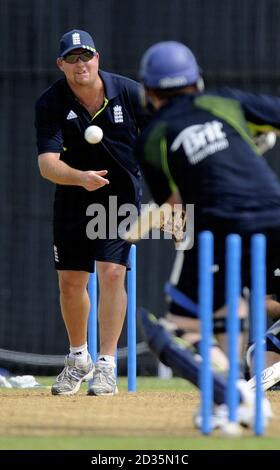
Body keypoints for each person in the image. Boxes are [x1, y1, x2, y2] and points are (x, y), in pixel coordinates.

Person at [133, 40, 280, 428]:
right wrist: (249, 143)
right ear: (197, 82)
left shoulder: (152, 138)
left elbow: (177, 204)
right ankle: (236, 397)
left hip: (219, 224)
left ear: (148, 92)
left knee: (176, 329)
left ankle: (235, 397)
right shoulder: (225, 101)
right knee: (233, 311)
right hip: (275, 212)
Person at [35, 29, 146, 396]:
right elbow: (48, 164)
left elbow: (158, 134)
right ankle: (78, 357)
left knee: (113, 274)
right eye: (72, 59)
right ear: (61, 64)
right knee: (70, 283)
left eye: (86, 57)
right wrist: (79, 178)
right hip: (73, 196)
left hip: (120, 199)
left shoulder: (128, 92)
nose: (80, 64)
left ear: (98, 58)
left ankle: (106, 365)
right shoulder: (51, 102)